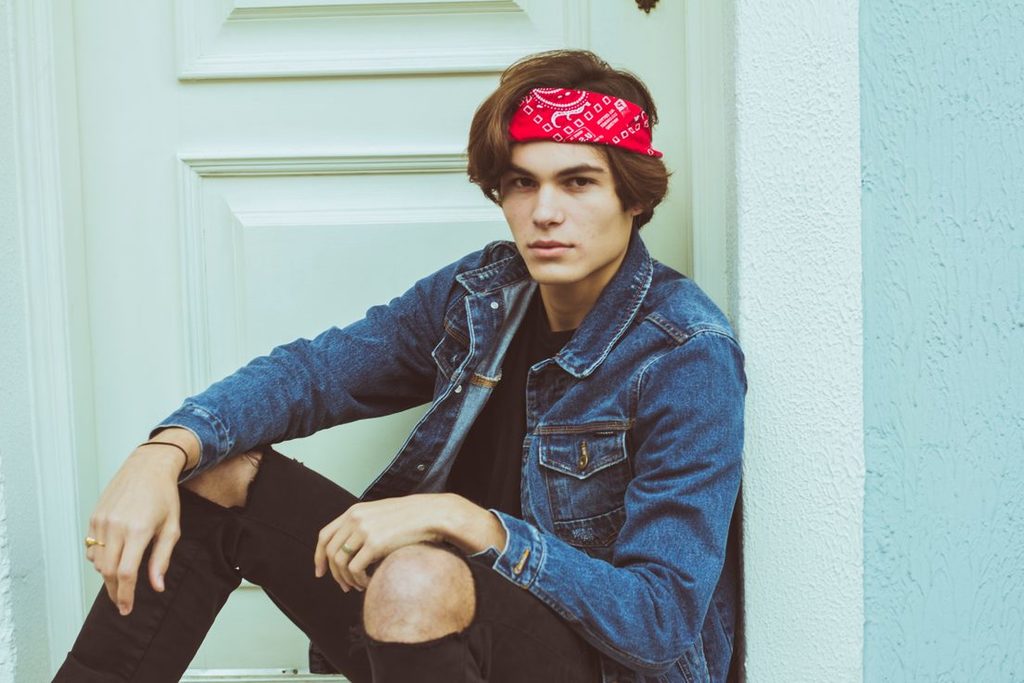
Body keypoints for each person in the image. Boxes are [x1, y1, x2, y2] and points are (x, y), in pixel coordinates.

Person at [55, 49, 745, 683]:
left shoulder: (686, 355)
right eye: (521, 183)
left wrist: (470, 522)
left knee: (417, 576)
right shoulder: (482, 296)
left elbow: (659, 621)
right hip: (435, 623)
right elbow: (315, 375)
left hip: (604, 666)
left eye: (578, 182)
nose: (544, 212)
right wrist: (163, 450)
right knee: (214, 469)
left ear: (633, 195)